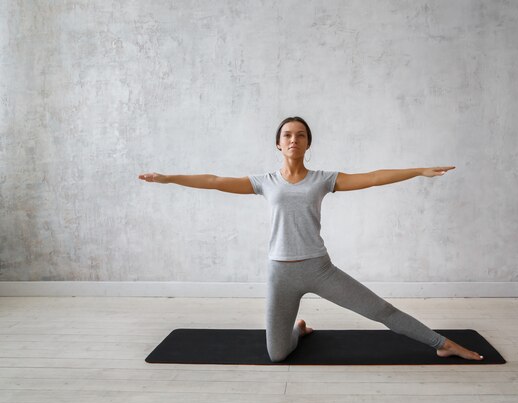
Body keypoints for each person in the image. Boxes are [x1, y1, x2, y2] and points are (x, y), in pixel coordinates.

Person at [138, 116, 483, 362]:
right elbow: (214, 180)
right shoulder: (265, 181)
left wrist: (417, 171)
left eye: (300, 135)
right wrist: (168, 179)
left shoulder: (322, 179)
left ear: (308, 143)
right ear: (278, 143)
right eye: (287, 134)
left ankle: (443, 343)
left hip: (320, 269)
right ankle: (298, 330)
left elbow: (374, 177)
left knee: (381, 310)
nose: (293, 139)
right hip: (280, 274)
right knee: (276, 355)